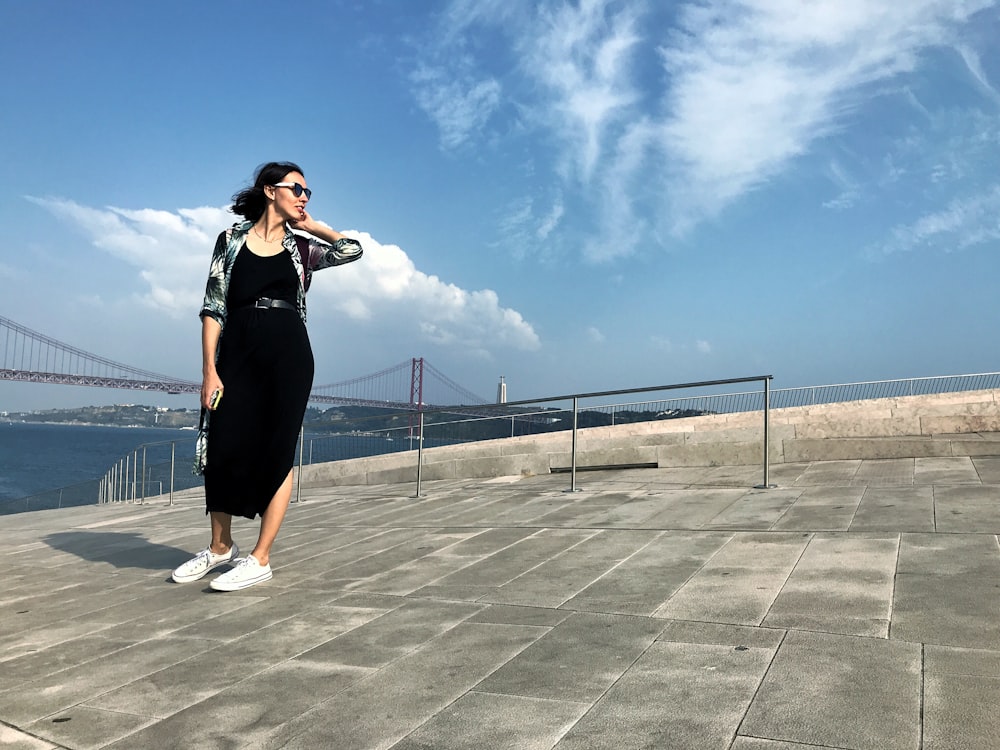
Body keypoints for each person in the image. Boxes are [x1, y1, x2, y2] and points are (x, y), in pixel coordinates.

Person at [171, 161, 362, 591]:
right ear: (269, 190)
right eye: (297, 189)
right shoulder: (231, 240)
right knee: (221, 442)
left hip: (289, 355)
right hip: (237, 353)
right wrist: (208, 370)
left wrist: (314, 226)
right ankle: (221, 548)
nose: (304, 197)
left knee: (278, 449)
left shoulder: (301, 248)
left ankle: (261, 558)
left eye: (309, 192)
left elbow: (352, 249)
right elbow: (213, 306)